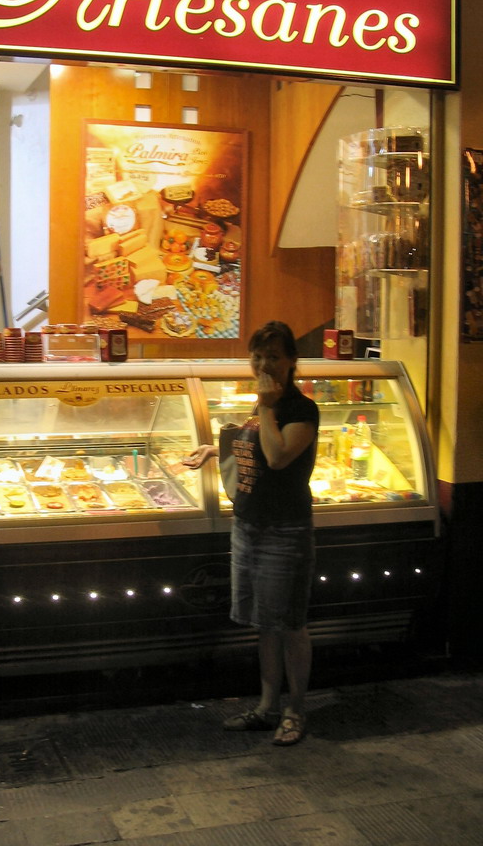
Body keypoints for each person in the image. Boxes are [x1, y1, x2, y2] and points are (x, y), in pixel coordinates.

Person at [183, 320, 319, 746]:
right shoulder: (263, 407)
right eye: (258, 356)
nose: (264, 364)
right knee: (263, 624)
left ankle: (295, 710)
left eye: (274, 356)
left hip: (284, 531)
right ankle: (266, 707)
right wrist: (216, 449)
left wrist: (265, 404)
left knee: (289, 624)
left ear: (291, 362)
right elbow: (256, 450)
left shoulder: (299, 408)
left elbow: (278, 457)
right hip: (248, 526)